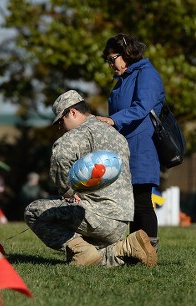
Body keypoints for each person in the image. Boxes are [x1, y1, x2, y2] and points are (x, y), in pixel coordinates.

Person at [24, 90, 157, 267]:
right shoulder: (114, 134)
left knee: (33, 211)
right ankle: (126, 247)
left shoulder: (80, 133)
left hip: (95, 216)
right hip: (121, 220)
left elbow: (60, 157)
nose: (61, 128)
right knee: (91, 252)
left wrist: (67, 192)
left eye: (61, 122)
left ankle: (82, 252)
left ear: (72, 112)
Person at [97, 33, 165, 250]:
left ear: (126, 54)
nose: (110, 64)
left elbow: (142, 107)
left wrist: (112, 120)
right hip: (124, 146)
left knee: (142, 201)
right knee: (131, 204)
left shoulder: (146, 74)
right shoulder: (123, 78)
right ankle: (136, 250)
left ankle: (148, 250)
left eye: (112, 58)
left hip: (141, 146)